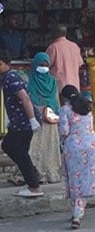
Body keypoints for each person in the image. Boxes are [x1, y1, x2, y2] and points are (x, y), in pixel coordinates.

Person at [57, 85, 95, 229]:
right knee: (87, 179)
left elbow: (64, 131)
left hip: (74, 147)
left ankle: (76, 213)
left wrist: (60, 143)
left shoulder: (65, 110)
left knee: (74, 179)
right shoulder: (87, 108)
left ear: (64, 97)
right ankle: (78, 210)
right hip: (92, 146)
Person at [0, 51, 43, 197]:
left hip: (24, 122)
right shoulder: (4, 78)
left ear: (7, 64)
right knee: (7, 145)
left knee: (20, 152)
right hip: (17, 122)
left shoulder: (11, 78)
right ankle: (32, 173)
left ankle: (34, 186)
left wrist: (32, 120)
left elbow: (24, 98)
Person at [27, 52, 62, 184]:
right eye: (40, 64)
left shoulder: (52, 81)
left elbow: (56, 100)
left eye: (46, 65)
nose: (43, 67)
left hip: (49, 118)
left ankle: (50, 173)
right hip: (36, 118)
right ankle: (37, 173)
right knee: (34, 147)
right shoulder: (30, 80)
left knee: (49, 146)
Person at [46, 23, 84, 94]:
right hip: (74, 85)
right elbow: (80, 64)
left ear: (55, 33)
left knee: (61, 105)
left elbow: (46, 65)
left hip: (59, 86)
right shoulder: (75, 46)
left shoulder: (53, 47)